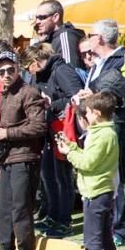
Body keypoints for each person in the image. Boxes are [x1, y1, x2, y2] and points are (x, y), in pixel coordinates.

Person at [0, 51, 47, 250]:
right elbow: (0, 132)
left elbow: (38, 127)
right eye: (1, 71)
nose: (6, 74)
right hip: (8, 158)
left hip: (26, 158)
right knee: (3, 210)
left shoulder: (29, 92)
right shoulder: (5, 93)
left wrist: (7, 133)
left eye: (10, 70)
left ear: (19, 69)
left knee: (21, 210)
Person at [56, 91, 120, 250]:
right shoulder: (102, 132)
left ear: (98, 113)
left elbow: (88, 163)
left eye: (90, 112)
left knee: (93, 240)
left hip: (96, 191)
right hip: (99, 189)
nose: (87, 116)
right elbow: (90, 157)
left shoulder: (103, 134)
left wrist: (69, 153)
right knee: (105, 238)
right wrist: (73, 146)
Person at [81, 19, 125, 246]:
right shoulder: (98, 63)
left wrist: (96, 94)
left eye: (91, 34)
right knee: (100, 176)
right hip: (97, 127)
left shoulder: (123, 59)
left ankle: (120, 230)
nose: (89, 38)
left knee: (119, 177)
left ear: (100, 38)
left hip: (118, 125)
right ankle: (103, 229)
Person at [23, 42, 84, 238]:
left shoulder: (61, 70)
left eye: (28, 67)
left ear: (35, 62)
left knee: (62, 177)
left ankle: (64, 221)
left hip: (62, 129)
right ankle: (52, 215)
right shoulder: (41, 74)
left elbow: (76, 98)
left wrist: (51, 104)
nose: (29, 72)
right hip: (49, 130)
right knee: (48, 175)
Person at [31, 0, 85, 69]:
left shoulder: (65, 37)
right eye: (37, 18)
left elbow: (69, 72)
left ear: (55, 17)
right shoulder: (50, 39)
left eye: (42, 17)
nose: (37, 22)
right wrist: (41, 42)